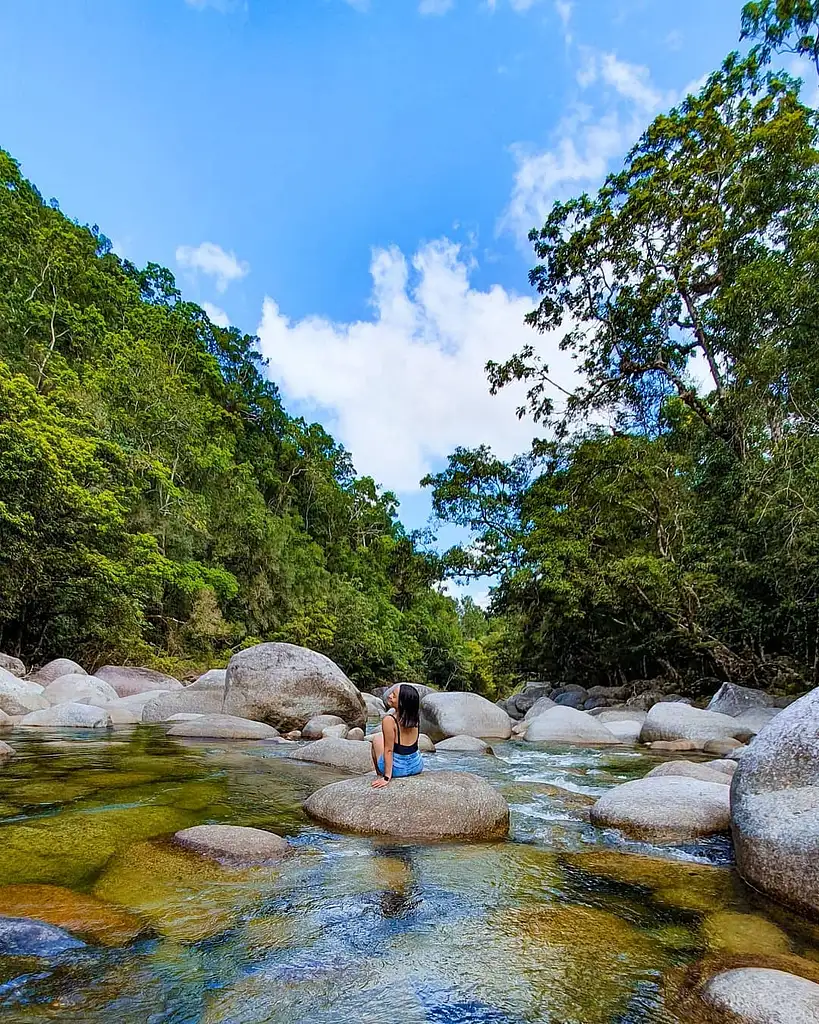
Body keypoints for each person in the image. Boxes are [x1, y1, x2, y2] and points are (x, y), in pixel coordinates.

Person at [370, 683, 424, 788]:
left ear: (402, 703)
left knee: (376, 740)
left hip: (398, 770)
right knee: (382, 738)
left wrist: (387, 777)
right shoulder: (415, 718)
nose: (389, 696)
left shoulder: (389, 720)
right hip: (416, 766)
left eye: (394, 696)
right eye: (391, 693)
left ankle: (380, 775)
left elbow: (389, 750)